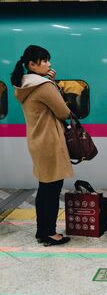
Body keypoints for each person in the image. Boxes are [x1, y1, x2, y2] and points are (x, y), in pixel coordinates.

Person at [11, 45, 72, 246]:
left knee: (45, 188)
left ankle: (42, 231)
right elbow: (63, 112)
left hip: (37, 140)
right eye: (44, 61)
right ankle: (49, 233)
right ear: (31, 64)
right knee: (52, 189)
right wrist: (53, 84)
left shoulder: (24, 85)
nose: (49, 64)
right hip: (50, 141)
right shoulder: (44, 86)